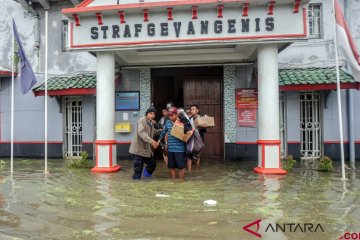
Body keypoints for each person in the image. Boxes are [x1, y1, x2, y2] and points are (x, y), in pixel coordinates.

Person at [129, 107, 160, 180]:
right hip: (138, 150)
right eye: (151, 113)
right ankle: (136, 185)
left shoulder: (150, 122)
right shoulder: (142, 120)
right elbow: (142, 132)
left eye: (154, 114)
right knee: (138, 171)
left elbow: (153, 132)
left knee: (152, 164)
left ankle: (146, 178)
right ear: (147, 114)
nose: (152, 115)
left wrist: (160, 131)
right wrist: (152, 141)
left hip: (146, 150)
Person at [158, 107, 188, 179]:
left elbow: (188, 133)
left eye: (172, 115)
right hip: (170, 149)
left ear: (176, 114)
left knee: (181, 166)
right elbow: (163, 132)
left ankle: (181, 181)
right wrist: (158, 140)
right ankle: (173, 180)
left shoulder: (182, 122)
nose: (170, 117)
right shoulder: (167, 122)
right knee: (171, 166)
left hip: (180, 149)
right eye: (169, 116)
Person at [187, 105, 207, 171]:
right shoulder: (189, 119)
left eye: (193, 109)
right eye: (191, 109)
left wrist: (204, 126)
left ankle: (197, 170)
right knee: (189, 154)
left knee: (197, 155)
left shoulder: (201, 118)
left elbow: (205, 130)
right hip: (190, 139)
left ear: (197, 110)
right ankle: (189, 171)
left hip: (199, 138)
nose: (192, 111)